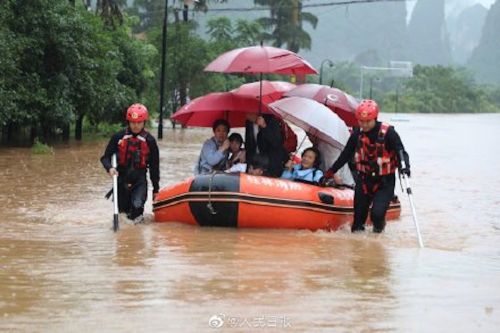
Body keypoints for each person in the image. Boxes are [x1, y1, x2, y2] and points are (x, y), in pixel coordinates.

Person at [323, 99, 410, 233]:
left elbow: (401, 151)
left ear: (375, 118)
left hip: (384, 182)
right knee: (358, 222)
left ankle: (378, 235)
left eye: (367, 121)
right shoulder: (357, 134)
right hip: (364, 180)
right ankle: (360, 249)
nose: (364, 125)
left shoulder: (389, 133)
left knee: (377, 215)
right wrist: (330, 172)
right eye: (361, 121)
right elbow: (345, 155)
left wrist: (405, 167)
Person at [100, 103, 160, 224]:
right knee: (123, 214)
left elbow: (154, 167)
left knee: (137, 208)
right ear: (128, 122)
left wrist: (156, 189)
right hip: (121, 180)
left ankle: (136, 237)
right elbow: (105, 158)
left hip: (139, 181)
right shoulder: (118, 137)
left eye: (139, 122)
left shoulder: (150, 141)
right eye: (133, 122)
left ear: (144, 122)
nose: (136, 126)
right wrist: (110, 168)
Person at [245, 113, 288, 178]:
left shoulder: (271, 120)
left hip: (271, 162)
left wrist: (264, 126)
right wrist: (249, 163)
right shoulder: (249, 123)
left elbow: (276, 142)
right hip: (255, 161)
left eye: (249, 112)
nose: (247, 115)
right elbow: (249, 144)